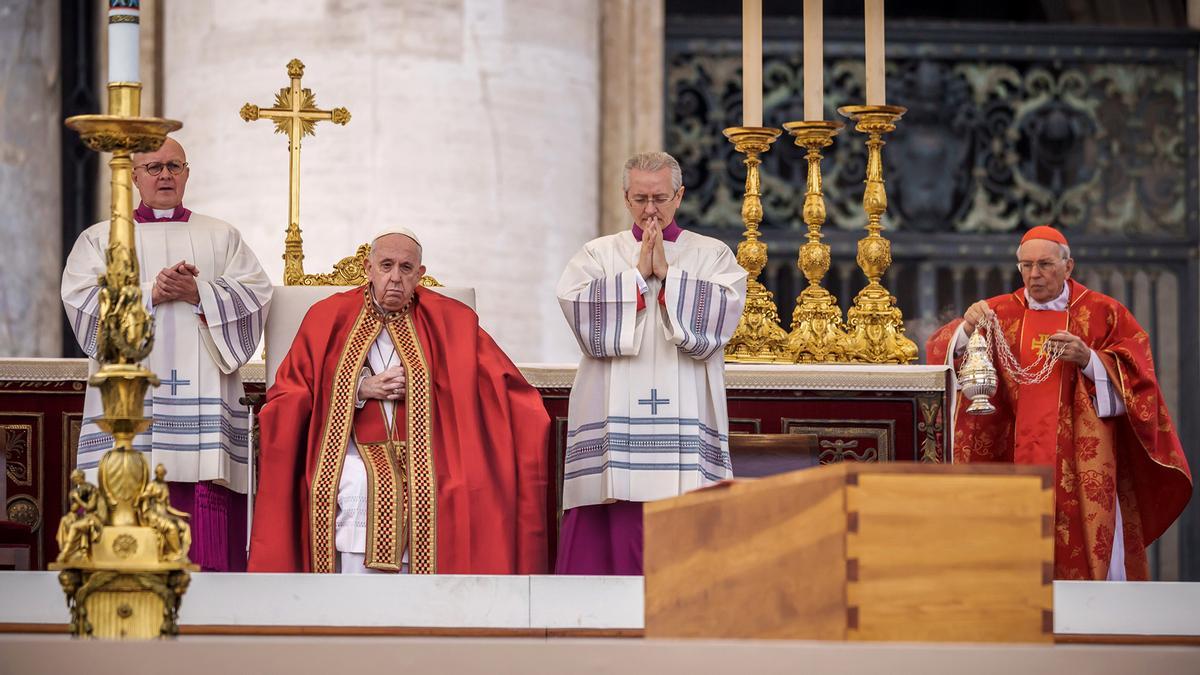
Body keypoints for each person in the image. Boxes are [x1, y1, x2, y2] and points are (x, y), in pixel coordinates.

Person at [248, 229, 549, 574]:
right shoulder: (327, 317)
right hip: (350, 448)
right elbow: (292, 390)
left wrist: (430, 387)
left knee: (450, 487)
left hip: (433, 449)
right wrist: (358, 388)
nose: (395, 278)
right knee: (358, 480)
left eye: (406, 268)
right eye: (386, 265)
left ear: (420, 275)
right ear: (368, 268)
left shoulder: (451, 321)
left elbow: (496, 384)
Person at [926, 225, 1192, 580]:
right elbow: (941, 354)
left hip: (1081, 466)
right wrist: (964, 330)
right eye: (1025, 266)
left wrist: (1090, 360)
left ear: (1069, 267)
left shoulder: (1103, 313)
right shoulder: (997, 313)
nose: (1034, 275)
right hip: (1011, 459)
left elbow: (1140, 382)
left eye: (1045, 265)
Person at [62, 136, 272, 572]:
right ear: (133, 176)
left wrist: (201, 293)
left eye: (174, 166)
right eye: (154, 167)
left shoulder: (222, 236)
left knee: (202, 485)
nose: (165, 175)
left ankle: (212, 595)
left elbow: (256, 296)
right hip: (129, 395)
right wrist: (150, 293)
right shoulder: (100, 239)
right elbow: (81, 302)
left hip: (204, 396)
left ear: (187, 173)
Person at [554, 151, 747, 574]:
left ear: (679, 196)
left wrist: (668, 277)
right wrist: (638, 279)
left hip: (685, 416)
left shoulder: (711, 254)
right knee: (612, 498)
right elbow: (578, 312)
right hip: (614, 416)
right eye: (640, 198)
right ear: (625, 197)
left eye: (659, 198)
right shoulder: (598, 254)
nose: (650, 210)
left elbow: (721, 320)